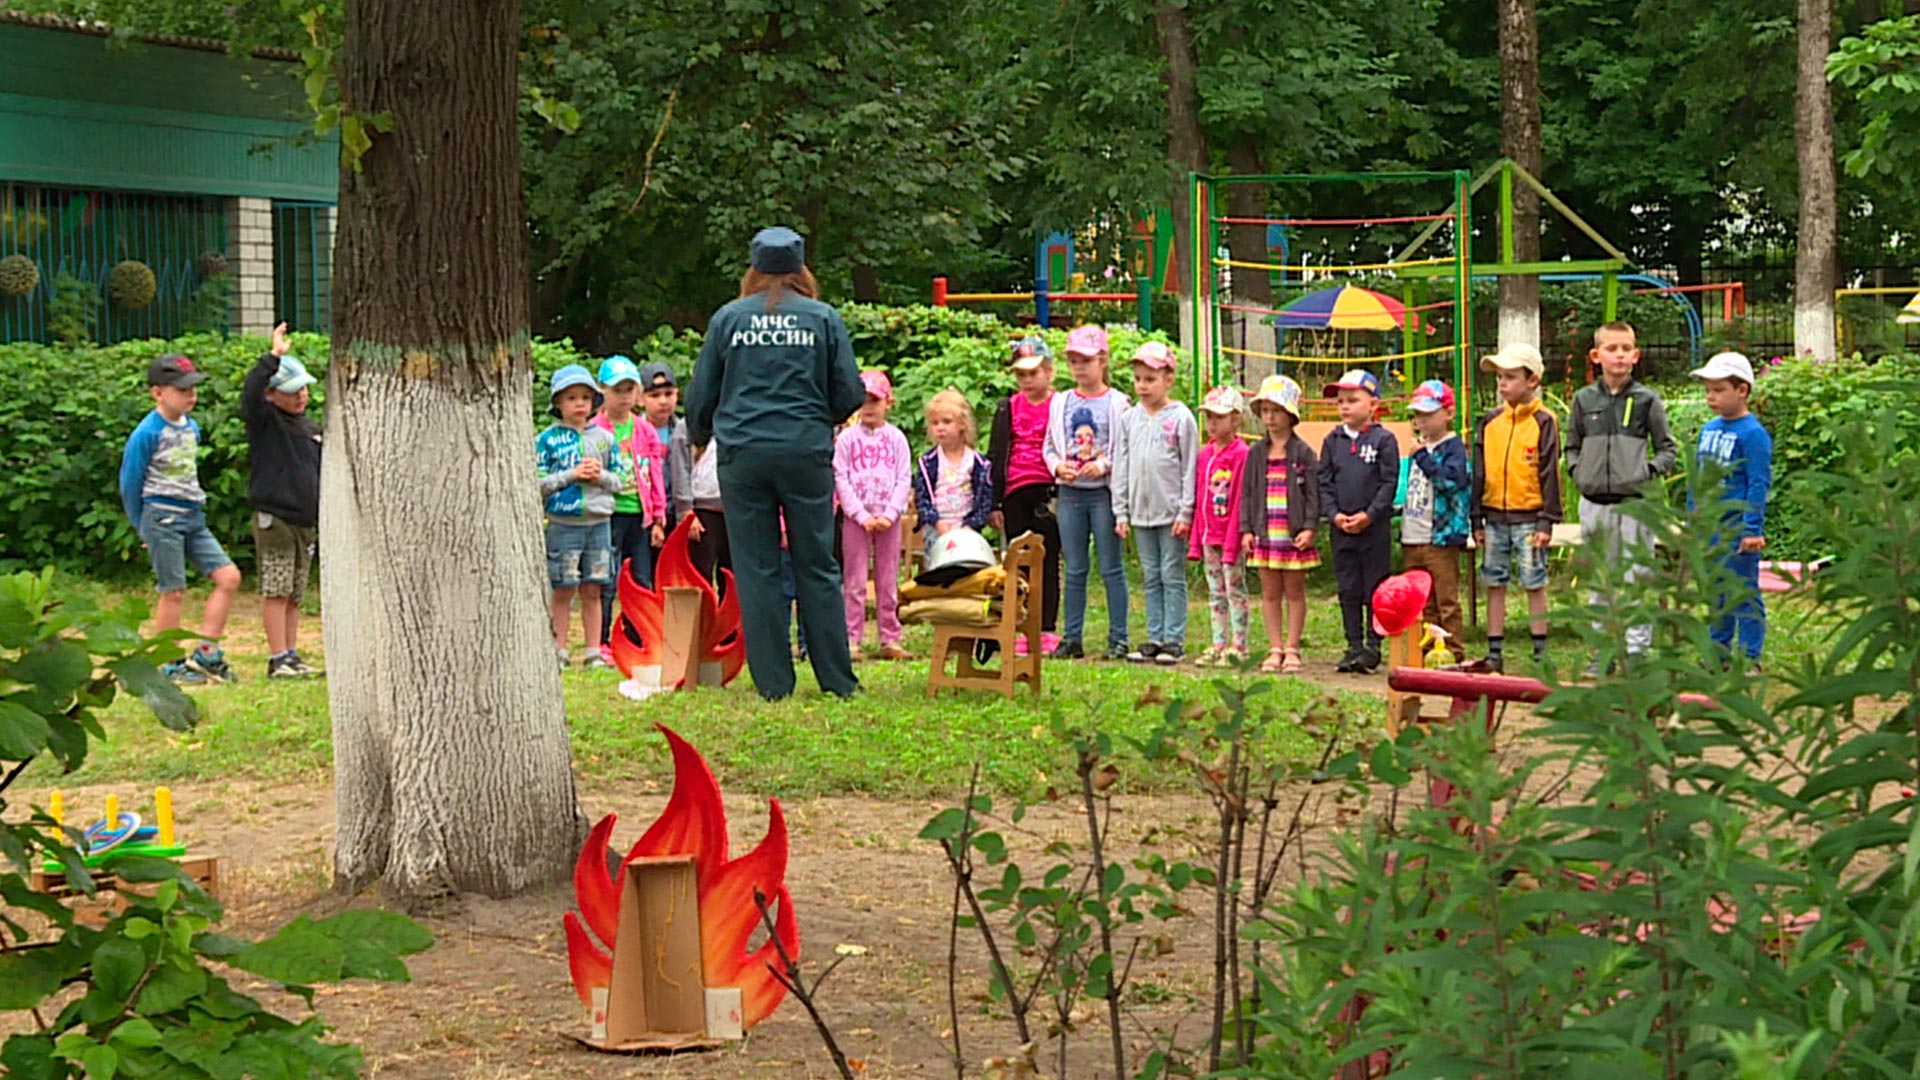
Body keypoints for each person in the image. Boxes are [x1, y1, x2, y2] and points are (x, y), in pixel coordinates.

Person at [686, 226, 865, 700]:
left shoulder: (728, 319)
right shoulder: (823, 318)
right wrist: (814, 421)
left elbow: (701, 395)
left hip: (743, 455)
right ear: (801, 269)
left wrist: (706, 434)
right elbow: (849, 391)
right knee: (817, 564)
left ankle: (773, 684)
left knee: (757, 567)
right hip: (805, 452)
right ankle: (836, 681)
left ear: (754, 269)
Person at [1565, 321, 1678, 675]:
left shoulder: (1647, 401)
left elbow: (1668, 449)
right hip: (1594, 505)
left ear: (1635, 355)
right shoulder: (1584, 401)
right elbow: (1571, 446)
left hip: (1634, 506)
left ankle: (1637, 650)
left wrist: (1644, 473)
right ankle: (1605, 651)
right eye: (1611, 349)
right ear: (1596, 356)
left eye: (1625, 348)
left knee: (1636, 575)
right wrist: (1578, 472)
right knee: (1601, 580)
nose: (1619, 355)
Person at [122, 353, 242, 684]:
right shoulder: (147, 432)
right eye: (182, 389)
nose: (191, 395)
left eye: (193, 388)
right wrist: (141, 525)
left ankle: (206, 655)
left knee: (228, 577)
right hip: (161, 517)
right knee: (173, 590)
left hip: (193, 516)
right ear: (157, 393)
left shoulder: (192, 427)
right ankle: (169, 664)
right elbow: (130, 483)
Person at [1471, 343, 1562, 673]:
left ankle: (1540, 651)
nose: (1503, 384)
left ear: (1533, 380)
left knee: (1533, 581)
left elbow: (1551, 472)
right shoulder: (1490, 422)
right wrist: (1476, 518)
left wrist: (1547, 520)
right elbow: (1478, 471)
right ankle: (1495, 650)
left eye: (1510, 377)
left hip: (1531, 517)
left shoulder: (1544, 421)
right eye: (1499, 377)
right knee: (1495, 582)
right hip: (1493, 516)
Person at [241, 322, 323, 679]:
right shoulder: (265, 422)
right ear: (272, 395)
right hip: (275, 519)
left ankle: (292, 654)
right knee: (276, 590)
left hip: (306, 522)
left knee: (294, 593)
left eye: (303, 388)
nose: (301, 395)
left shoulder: (311, 426)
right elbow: (249, 393)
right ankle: (277, 659)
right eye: (291, 391)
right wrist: (272, 359)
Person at [1044, 325, 1130, 660]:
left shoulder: (1118, 403)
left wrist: (1104, 464)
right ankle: (1073, 637)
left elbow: (1123, 448)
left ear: (1103, 361)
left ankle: (1118, 637)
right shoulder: (1061, 401)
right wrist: (1056, 467)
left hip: (1103, 494)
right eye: (1074, 360)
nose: (1080, 367)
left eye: (1086, 360)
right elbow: (1050, 444)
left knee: (1111, 567)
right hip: (1071, 493)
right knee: (1075, 567)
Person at [1112, 341, 1198, 664]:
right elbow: (1121, 465)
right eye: (1138, 379)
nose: (1143, 386)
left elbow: (1189, 466)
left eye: (1150, 379)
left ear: (1168, 379)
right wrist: (1120, 511)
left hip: (1172, 511)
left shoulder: (1181, 418)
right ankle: (1154, 635)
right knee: (1150, 574)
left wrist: (1185, 510)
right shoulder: (1129, 419)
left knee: (1171, 572)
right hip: (1139, 512)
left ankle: (1174, 639)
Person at [538, 364, 627, 669]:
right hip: (564, 525)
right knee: (563, 586)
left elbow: (620, 481)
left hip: (599, 524)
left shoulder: (605, 439)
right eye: (571, 398)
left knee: (594, 586)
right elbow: (538, 484)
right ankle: (558, 650)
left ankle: (593, 651)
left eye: (585, 398)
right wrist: (570, 476)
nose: (579, 404)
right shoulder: (547, 440)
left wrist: (599, 475)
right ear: (558, 404)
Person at [1689, 351, 1771, 670]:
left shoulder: (1752, 434)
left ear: (1742, 390)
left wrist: (1752, 529)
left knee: (1743, 593)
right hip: (1710, 528)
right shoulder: (1709, 429)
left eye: (1719, 390)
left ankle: (1750, 657)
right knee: (1715, 592)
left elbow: (1758, 483)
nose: (1711, 397)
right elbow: (1698, 477)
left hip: (1737, 530)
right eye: (1708, 390)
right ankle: (1717, 651)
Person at [1319, 369, 1399, 674]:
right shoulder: (1332, 441)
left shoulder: (1384, 440)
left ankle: (1373, 645)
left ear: (1373, 404)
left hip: (1373, 529)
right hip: (1341, 529)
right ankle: (1352, 644)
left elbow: (1388, 482)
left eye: (1352, 400)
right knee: (1348, 587)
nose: (1345, 407)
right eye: (1340, 401)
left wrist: (1370, 515)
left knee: (1374, 588)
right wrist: (1335, 515)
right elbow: (1324, 481)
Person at [986, 336, 1062, 657]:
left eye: (1034, 373)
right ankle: (1019, 625)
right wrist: (994, 502)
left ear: (1049, 372)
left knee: (1047, 562)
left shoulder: (1060, 404)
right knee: (1017, 563)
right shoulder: (1008, 408)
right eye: (1021, 375)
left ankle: (1046, 628)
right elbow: (996, 454)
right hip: (1015, 492)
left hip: (1049, 492)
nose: (1028, 380)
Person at [1241, 375, 1322, 673]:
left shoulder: (1303, 453)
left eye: (1276, 411)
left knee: (1295, 591)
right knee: (1270, 592)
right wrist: (1246, 529)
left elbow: (1314, 495)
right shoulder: (1255, 453)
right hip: (1264, 534)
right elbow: (1247, 494)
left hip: (1293, 534)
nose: (1270, 417)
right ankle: (1274, 647)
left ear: (1290, 415)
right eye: (1264, 411)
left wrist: (1310, 527)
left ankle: (1293, 647)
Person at [593, 355, 667, 662]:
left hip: (641, 515)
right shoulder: (595, 429)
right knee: (606, 578)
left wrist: (660, 516)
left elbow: (656, 472)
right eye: (617, 390)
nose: (624, 397)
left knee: (640, 578)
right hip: (608, 514)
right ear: (603, 391)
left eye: (628, 390)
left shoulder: (644, 430)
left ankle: (639, 636)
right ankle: (602, 640)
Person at [836, 370, 912, 660]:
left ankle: (890, 637)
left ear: (888, 403)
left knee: (887, 579)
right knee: (854, 580)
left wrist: (891, 513)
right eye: (863, 400)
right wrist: (859, 513)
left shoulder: (897, 439)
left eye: (875, 401)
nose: (868, 407)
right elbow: (840, 477)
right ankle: (851, 638)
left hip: (887, 520)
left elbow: (904, 478)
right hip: (857, 520)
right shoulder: (846, 439)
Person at [1399, 379, 1470, 648]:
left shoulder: (1453, 448)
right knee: (1421, 601)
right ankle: (1427, 650)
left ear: (1448, 413)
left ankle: (1453, 651)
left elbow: (1451, 483)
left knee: (1446, 600)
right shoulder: (1418, 448)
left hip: (1440, 538)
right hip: (1412, 535)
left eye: (1428, 414)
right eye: (1418, 415)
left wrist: (1423, 459)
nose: (1422, 421)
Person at [1189, 383, 1251, 667]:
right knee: (1215, 591)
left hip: (1231, 536)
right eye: (1209, 417)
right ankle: (1218, 642)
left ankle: (1239, 645)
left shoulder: (1241, 453)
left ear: (1236, 418)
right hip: (1208, 534)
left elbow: (1240, 498)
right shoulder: (1205, 454)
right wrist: (1195, 539)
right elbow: (1200, 495)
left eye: (1220, 416)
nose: (1213, 423)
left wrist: (1233, 539)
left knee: (1234, 589)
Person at [913, 388, 994, 551]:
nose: (940, 427)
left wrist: (971, 526)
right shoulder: (927, 462)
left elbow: (985, 500)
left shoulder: (979, 463)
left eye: (947, 421)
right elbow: (922, 499)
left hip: (968, 531)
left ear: (962, 424)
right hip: (937, 530)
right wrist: (937, 522)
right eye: (935, 423)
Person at [672, 407, 730, 591]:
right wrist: (686, 512)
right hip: (701, 511)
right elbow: (680, 470)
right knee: (699, 579)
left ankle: (733, 621)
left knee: (733, 580)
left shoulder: (739, 419)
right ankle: (700, 620)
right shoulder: (687, 426)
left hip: (734, 509)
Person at [638, 362, 682, 580]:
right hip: (645, 517)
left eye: (668, 393)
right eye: (654, 395)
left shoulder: (685, 432)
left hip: (678, 513)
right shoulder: (635, 433)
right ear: (641, 398)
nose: (663, 401)